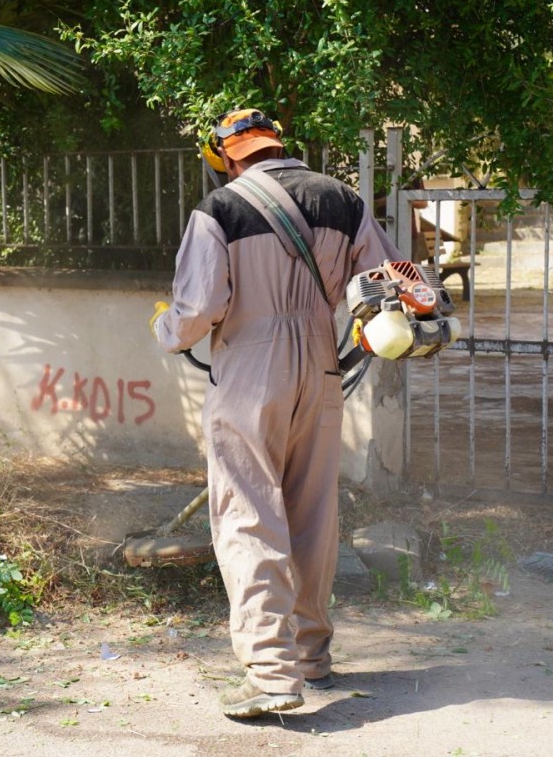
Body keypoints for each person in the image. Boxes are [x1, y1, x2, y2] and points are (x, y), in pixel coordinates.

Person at [149, 108, 400, 720]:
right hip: (321, 363)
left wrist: (166, 329)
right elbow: (386, 283)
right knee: (313, 512)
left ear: (226, 159)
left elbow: (197, 311)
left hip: (250, 369)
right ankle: (311, 656)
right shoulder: (344, 200)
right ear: (278, 145)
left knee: (248, 514)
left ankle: (270, 673)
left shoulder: (219, 210)